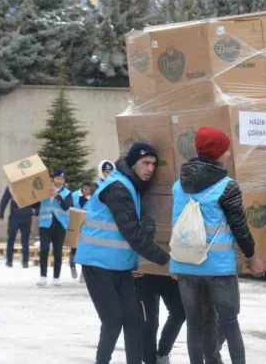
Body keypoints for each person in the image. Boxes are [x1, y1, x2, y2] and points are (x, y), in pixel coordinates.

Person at [170, 127, 265, 364]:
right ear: (218, 153)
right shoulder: (227, 186)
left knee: (194, 324)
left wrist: (174, 263)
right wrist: (252, 257)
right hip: (218, 268)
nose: (228, 155)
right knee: (230, 323)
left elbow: (175, 223)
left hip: (186, 265)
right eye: (226, 150)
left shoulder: (177, 185)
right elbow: (240, 227)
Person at [75, 143, 170, 364]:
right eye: (145, 163)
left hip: (120, 266)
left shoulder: (129, 185)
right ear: (132, 163)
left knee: (134, 320)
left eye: (153, 164)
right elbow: (132, 233)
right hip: (97, 263)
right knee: (113, 319)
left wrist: (133, 261)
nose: (150, 169)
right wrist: (166, 261)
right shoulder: (117, 188)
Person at [33, 169, 71, 287]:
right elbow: (34, 204)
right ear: (52, 179)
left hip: (60, 225)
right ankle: (43, 276)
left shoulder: (67, 193)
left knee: (57, 252)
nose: (59, 181)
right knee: (44, 249)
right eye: (57, 178)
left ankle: (56, 277)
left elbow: (66, 207)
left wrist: (58, 196)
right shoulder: (44, 191)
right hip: (45, 224)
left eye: (61, 179)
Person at [0, 186, 36, 268]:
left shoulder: (13, 186)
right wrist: (35, 212)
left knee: (12, 239)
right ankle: (23, 261)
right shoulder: (27, 185)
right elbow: (36, 198)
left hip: (17, 216)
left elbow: (4, 200)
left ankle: (10, 261)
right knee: (23, 240)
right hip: (23, 216)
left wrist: (1, 214)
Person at [67, 180, 93, 282]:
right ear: (81, 188)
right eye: (85, 189)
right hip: (75, 224)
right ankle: (72, 266)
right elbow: (69, 208)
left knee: (84, 250)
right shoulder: (74, 195)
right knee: (74, 248)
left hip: (87, 225)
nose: (87, 191)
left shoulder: (93, 198)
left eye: (88, 189)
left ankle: (83, 273)